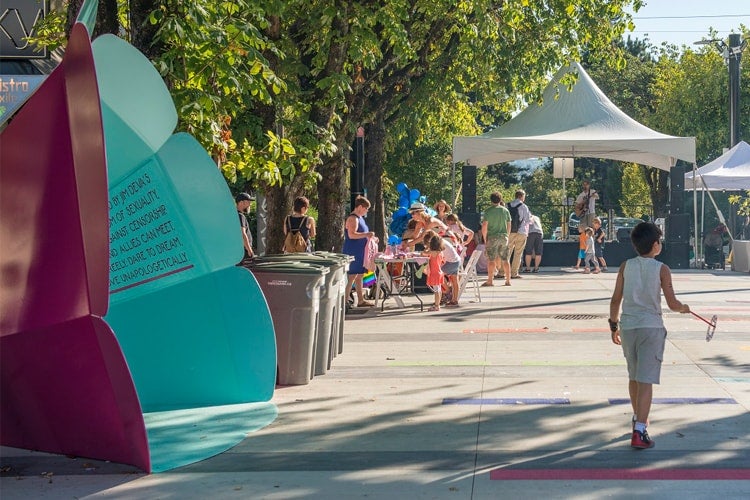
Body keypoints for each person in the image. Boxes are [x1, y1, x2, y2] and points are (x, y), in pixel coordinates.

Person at [609, 221, 690, 449]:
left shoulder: (626, 267)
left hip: (628, 326)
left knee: (634, 376)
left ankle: (637, 418)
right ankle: (640, 430)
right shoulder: (662, 269)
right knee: (646, 380)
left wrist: (613, 325)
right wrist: (684, 308)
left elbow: (616, 299)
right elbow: (673, 304)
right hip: (651, 328)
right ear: (655, 245)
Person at [343, 196, 376, 307]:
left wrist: (371, 238)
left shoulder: (360, 218)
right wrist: (367, 234)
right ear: (360, 207)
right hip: (353, 251)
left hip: (360, 251)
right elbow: (351, 234)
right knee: (351, 276)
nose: (367, 211)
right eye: (366, 208)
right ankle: (345, 301)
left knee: (360, 275)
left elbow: (362, 235)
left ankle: (361, 300)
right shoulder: (353, 218)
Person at [422, 229, 461, 306]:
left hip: (451, 263)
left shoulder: (438, 243)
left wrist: (425, 252)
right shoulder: (440, 241)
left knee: (437, 274)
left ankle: (446, 291)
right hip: (456, 261)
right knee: (455, 281)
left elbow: (433, 253)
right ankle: (454, 300)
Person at [481, 192, 511, 287]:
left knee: (491, 260)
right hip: (503, 237)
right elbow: (509, 224)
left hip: (492, 237)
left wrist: (485, 238)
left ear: (491, 200)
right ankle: (508, 280)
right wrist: (507, 236)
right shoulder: (505, 210)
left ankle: (490, 280)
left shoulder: (488, 211)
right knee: (505, 259)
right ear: (500, 199)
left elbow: (484, 225)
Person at [507, 189, 530, 278]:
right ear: (521, 196)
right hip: (521, 232)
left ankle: (502, 272)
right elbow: (527, 220)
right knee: (518, 253)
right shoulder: (524, 206)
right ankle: (514, 273)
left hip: (510, 232)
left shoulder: (507, 205)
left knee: (507, 252)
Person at [423, 233, 446, 312]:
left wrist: (426, 248)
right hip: (439, 272)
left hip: (434, 273)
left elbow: (423, 253)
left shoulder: (433, 252)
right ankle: (438, 304)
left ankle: (436, 306)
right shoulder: (440, 252)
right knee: (438, 290)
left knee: (436, 291)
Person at [235, 192, 254, 263]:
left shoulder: (233, 214)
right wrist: (249, 250)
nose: (250, 204)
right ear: (241, 202)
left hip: (238, 251)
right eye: (248, 202)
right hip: (244, 252)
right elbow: (242, 234)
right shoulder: (240, 216)